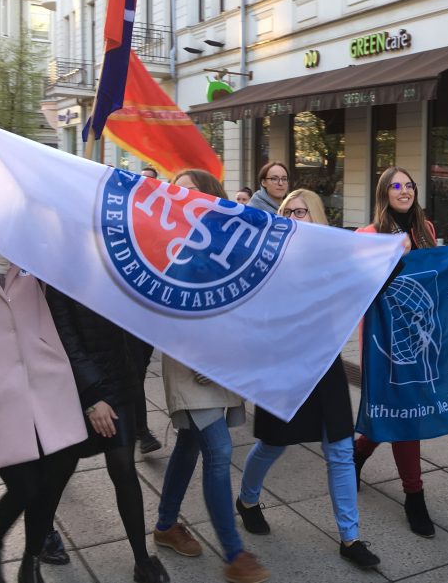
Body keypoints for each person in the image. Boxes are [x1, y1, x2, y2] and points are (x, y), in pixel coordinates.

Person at [235, 190, 380, 569]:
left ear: (317, 217)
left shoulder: (334, 258)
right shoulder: (269, 260)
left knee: (340, 451)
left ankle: (350, 538)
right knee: (272, 444)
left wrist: (394, 250)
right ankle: (247, 499)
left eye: (302, 211)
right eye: (287, 212)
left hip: (324, 365)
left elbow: (373, 277)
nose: (295, 217)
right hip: (283, 367)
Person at [151, 168, 269, 583]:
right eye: (174, 192)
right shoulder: (166, 243)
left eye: (189, 192)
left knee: (188, 445)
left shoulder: (228, 242)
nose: (180, 198)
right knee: (218, 451)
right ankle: (235, 553)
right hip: (189, 364)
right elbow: (163, 307)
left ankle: (166, 526)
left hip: (221, 361)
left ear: (210, 197)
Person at [44, 286, 170, 583]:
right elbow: (65, 338)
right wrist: (91, 398)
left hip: (119, 381)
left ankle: (142, 560)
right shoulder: (58, 272)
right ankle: (44, 532)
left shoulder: (115, 263)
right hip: (76, 390)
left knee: (124, 467)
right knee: (61, 468)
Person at [0, 250, 86, 583]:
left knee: (50, 483)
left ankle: (31, 562)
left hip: (49, 385)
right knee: (25, 486)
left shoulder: (29, 255)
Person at [353, 166, 437, 537]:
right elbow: (362, 291)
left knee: (399, 412)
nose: (404, 191)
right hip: (384, 344)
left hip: (419, 339)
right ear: (384, 193)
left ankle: (356, 455)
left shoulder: (427, 230)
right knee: (404, 415)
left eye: (409, 185)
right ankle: (414, 496)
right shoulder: (369, 235)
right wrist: (390, 255)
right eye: (396, 186)